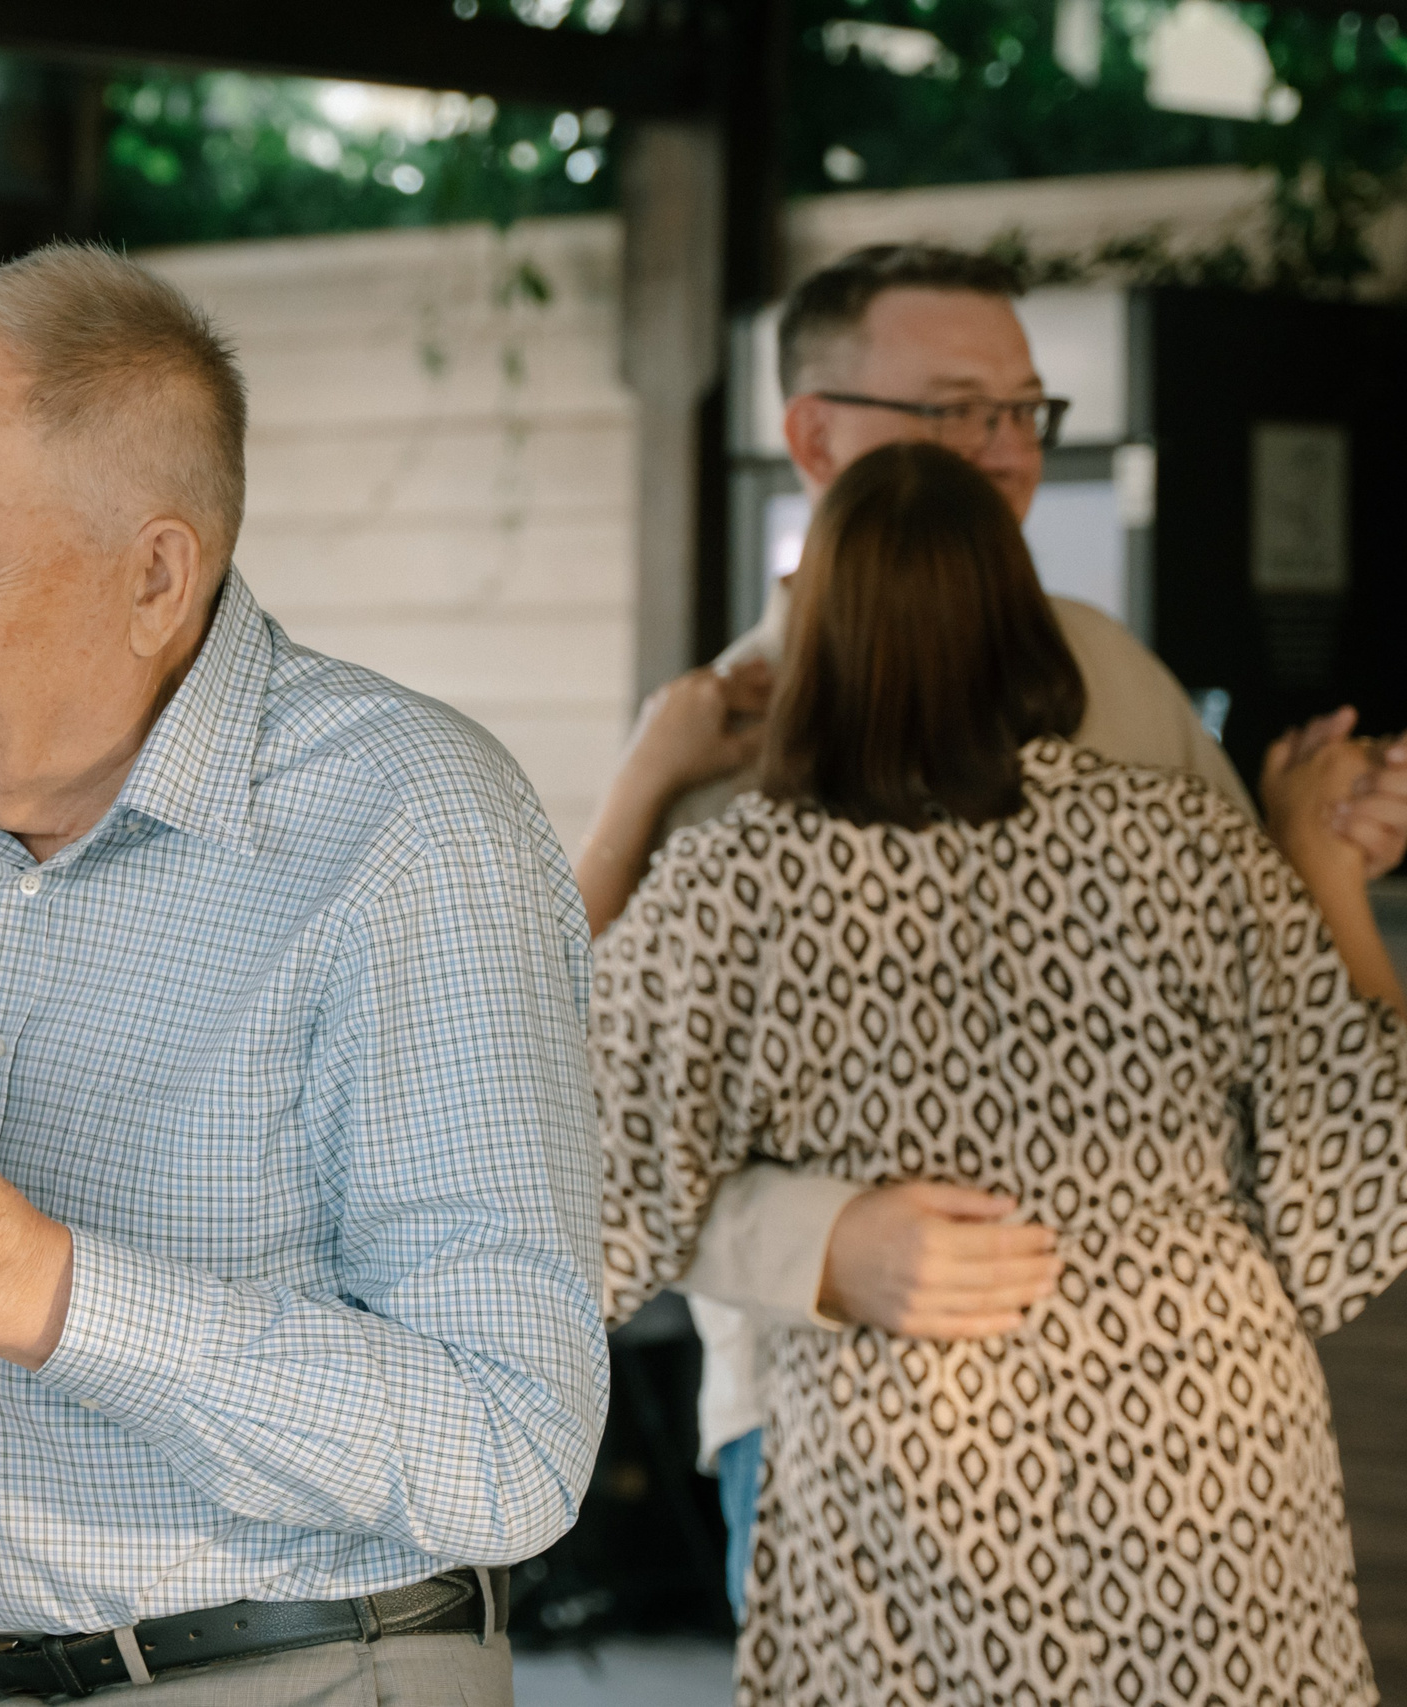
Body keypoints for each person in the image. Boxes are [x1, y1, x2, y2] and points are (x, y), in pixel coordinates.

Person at [0, 242, 609, 1705]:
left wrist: (33, 1282)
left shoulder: (413, 827)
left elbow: (513, 1445)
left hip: (311, 1673)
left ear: (155, 577)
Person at [571, 242, 1407, 1618]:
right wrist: (819, 1239)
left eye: (1025, 411)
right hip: (845, 1430)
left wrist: (1312, 846)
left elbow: (1272, 1045)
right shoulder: (709, 749)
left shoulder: (1115, 679)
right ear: (815, 435)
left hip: (1171, 1442)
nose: (1006, 450)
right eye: (960, 409)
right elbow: (584, 1128)